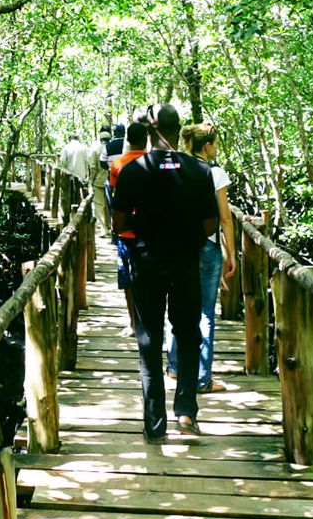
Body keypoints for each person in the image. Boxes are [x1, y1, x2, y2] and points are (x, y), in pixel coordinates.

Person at [111, 104, 219, 443]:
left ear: (150, 129)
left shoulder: (133, 171)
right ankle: (186, 413)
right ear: (178, 129)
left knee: (149, 340)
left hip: (147, 264)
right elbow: (210, 224)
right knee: (188, 335)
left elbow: (119, 224)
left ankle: (154, 425)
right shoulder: (199, 171)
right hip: (186, 262)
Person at [168, 123, 237, 393]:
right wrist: (231, 253)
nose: (217, 148)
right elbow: (225, 217)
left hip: (179, 246)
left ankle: (174, 367)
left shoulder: (176, 166)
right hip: (206, 247)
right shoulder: (215, 173)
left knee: (177, 305)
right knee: (205, 313)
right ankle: (201, 378)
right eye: (216, 144)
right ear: (207, 146)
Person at [108, 120, 150, 336]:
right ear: (146, 139)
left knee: (128, 279)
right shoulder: (153, 163)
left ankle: (134, 323)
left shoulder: (118, 165)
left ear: (128, 140)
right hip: (151, 232)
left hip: (125, 232)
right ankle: (149, 323)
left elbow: (115, 195)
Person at [90, 126, 113, 235]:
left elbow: (93, 167)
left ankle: (102, 229)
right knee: (109, 205)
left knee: (99, 206)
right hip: (111, 181)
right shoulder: (112, 147)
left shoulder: (95, 149)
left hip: (98, 182)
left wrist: (91, 180)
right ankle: (109, 226)